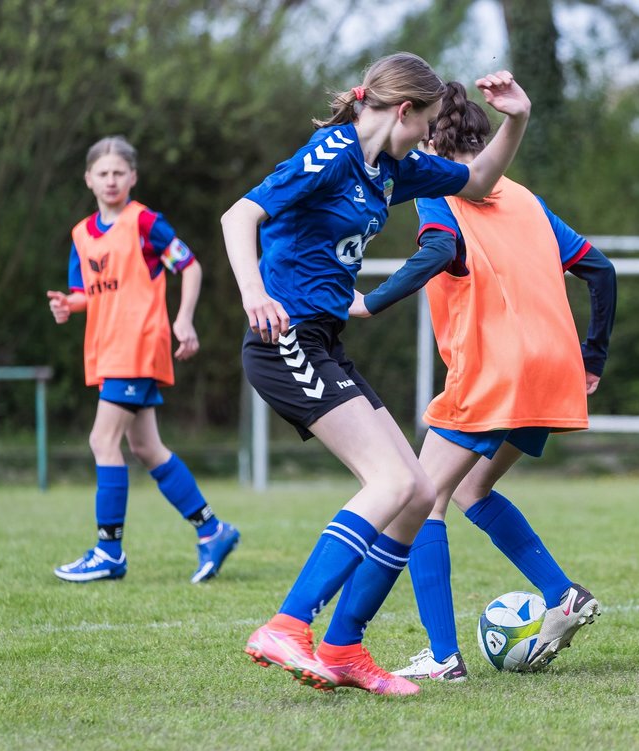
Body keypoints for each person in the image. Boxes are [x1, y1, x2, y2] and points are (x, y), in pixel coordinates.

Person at [220, 54, 531, 696]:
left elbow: (477, 181)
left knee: (417, 491)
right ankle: (288, 623)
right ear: (402, 110)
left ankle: (342, 647)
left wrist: (518, 120)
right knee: (389, 482)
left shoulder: (393, 167)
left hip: (324, 341)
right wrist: (255, 292)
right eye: (425, 122)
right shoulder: (330, 152)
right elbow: (238, 216)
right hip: (285, 340)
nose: (426, 136)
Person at [343, 82, 617, 680]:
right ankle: (561, 594)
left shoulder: (439, 187)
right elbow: (600, 269)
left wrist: (372, 302)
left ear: (432, 137)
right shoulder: (524, 197)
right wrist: (592, 356)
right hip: (552, 369)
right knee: (471, 491)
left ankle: (442, 656)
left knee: (422, 498)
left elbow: (439, 249)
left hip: (495, 370)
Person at [47, 136, 241, 585]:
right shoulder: (81, 234)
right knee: (147, 448)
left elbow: (189, 265)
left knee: (102, 440)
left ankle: (109, 550)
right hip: (107, 347)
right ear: (88, 179)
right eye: (103, 173)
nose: (111, 180)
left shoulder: (145, 222)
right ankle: (213, 532)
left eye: (119, 172)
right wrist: (68, 307)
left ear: (132, 177)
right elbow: (84, 294)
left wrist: (184, 320)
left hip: (137, 344)